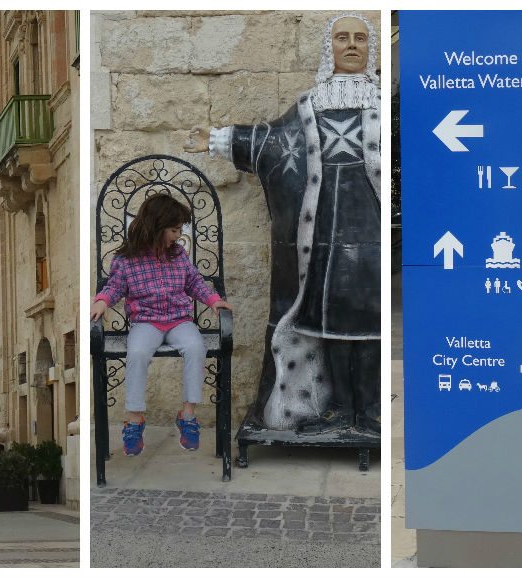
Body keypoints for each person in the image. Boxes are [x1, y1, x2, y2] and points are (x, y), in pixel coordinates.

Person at [183, 13, 380, 436]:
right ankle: (342, 411)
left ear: (371, 47)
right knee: (330, 327)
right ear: (330, 49)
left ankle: (372, 412)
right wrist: (219, 138)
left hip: (373, 239)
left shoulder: (380, 104)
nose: (351, 46)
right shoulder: (310, 107)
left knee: (369, 325)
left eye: (360, 39)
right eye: (342, 38)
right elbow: (273, 141)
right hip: (322, 241)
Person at [90, 194, 232, 456]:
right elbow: (114, 287)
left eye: (180, 230)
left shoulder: (178, 254)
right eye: (174, 230)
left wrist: (213, 300)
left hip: (179, 320)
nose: (178, 235)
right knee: (138, 353)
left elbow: (194, 282)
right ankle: (135, 419)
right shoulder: (126, 259)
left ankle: (188, 415)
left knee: (196, 347)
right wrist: (101, 301)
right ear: (156, 227)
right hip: (146, 322)